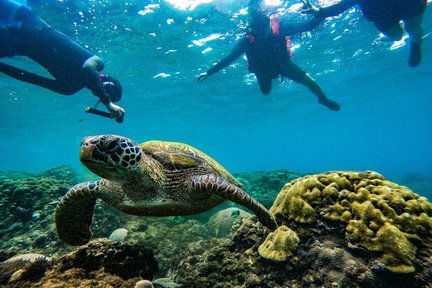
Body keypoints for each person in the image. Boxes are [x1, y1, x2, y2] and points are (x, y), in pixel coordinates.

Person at [198, 0, 340, 111]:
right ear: (252, 28)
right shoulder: (247, 41)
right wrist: (209, 72)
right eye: (257, 30)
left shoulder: (279, 29)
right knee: (266, 92)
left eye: (263, 29)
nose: (261, 34)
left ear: (268, 24)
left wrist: (321, 12)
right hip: (262, 69)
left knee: (311, 82)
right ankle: (273, 79)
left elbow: (309, 26)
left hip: (283, 65)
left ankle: (323, 99)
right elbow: (230, 58)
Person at [0, 0, 125, 122]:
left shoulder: (69, 88)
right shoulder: (97, 63)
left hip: (16, 43)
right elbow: (88, 68)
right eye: (103, 92)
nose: (96, 93)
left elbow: (29, 78)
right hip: (27, 23)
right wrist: (107, 103)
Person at [303, 0, 427, 67]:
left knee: (413, 29)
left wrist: (318, 11)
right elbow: (340, 7)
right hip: (382, 15)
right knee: (397, 36)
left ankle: (416, 41)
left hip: (406, 4)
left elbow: (339, 8)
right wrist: (317, 11)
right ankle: (396, 36)